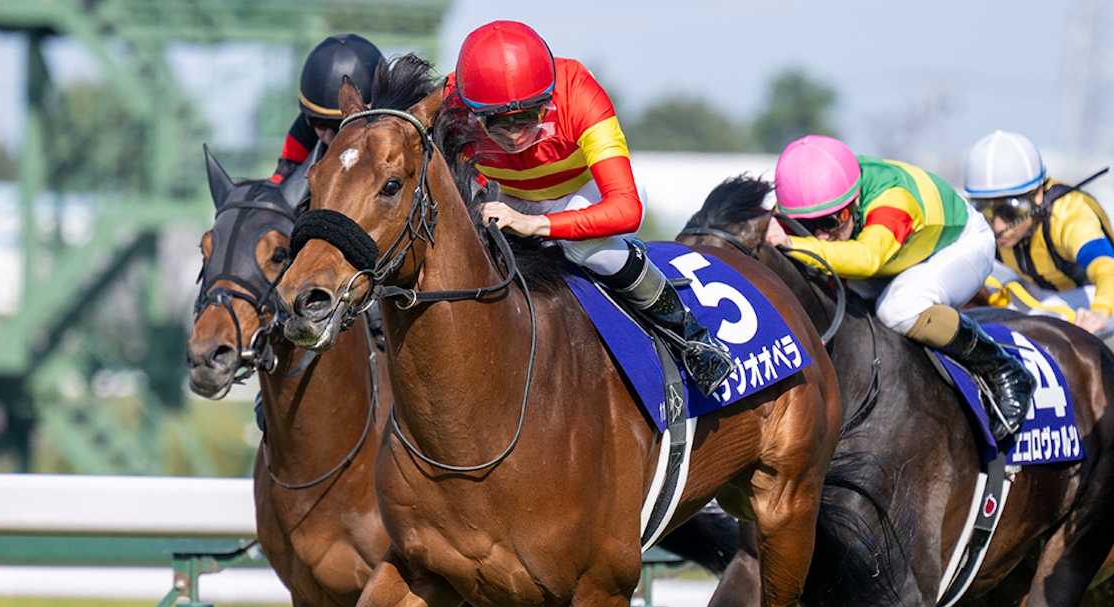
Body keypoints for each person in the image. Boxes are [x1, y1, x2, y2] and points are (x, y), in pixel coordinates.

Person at [445, 20, 732, 396]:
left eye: (527, 117)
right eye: (498, 121)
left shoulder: (578, 92)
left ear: (548, 98)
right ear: (470, 108)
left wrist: (537, 224)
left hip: (587, 193)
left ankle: (692, 338)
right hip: (510, 197)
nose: (514, 135)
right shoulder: (449, 100)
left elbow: (627, 208)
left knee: (582, 247)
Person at [765, 135, 1034, 441]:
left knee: (898, 308)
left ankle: (1003, 368)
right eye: (806, 225)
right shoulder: (801, 204)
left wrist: (793, 243)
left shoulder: (893, 199)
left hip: (959, 244)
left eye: (832, 221)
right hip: (897, 252)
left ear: (854, 201)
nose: (821, 236)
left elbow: (867, 259)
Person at [963, 130, 1114, 340]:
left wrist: (1101, 310)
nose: (997, 226)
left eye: (1010, 211)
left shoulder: (1068, 215)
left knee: (1044, 322)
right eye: (985, 210)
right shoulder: (978, 222)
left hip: (1099, 292)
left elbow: (1106, 267)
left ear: (1038, 195)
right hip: (1035, 290)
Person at [270, 33, 384, 182]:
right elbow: (281, 182)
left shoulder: (399, 130)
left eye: (340, 126)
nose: (330, 137)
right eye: (320, 124)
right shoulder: (305, 126)